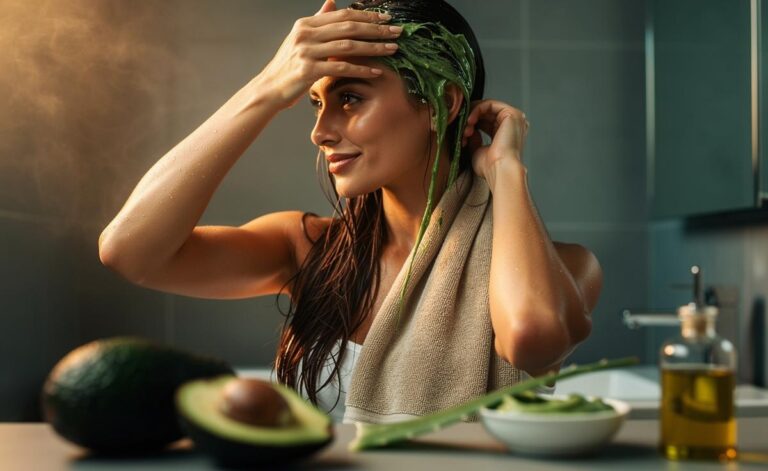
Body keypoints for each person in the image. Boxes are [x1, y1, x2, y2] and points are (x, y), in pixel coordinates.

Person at [98, 0, 603, 423]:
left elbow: (533, 339)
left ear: (441, 103)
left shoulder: (566, 270)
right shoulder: (307, 249)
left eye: (351, 97)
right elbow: (130, 252)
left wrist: (507, 169)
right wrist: (268, 89)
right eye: (317, 101)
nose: (320, 131)